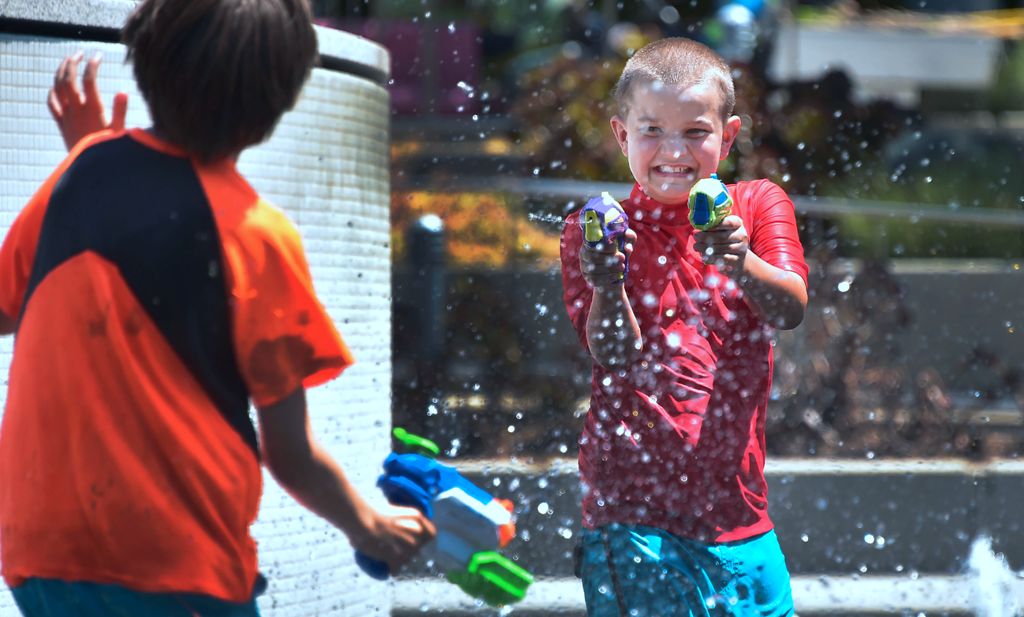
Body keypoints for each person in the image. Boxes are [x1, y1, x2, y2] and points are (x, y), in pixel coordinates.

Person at [0, 1, 435, 615]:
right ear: (280, 100)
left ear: (146, 53)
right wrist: (370, 525)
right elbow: (291, 454)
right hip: (174, 562)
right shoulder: (257, 237)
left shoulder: (80, 172)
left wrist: (88, 162)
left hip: (39, 553)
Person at [560, 37, 808, 616]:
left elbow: (790, 308)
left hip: (740, 513)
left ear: (729, 134)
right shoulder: (597, 231)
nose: (674, 151)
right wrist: (607, 285)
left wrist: (739, 262)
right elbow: (615, 353)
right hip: (632, 516)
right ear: (622, 135)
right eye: (652, 131)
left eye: (696, 131)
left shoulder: (756, 205)